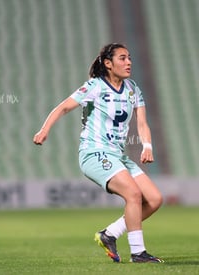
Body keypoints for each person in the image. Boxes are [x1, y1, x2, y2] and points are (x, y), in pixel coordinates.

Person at [33, 43, 164, 263]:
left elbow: (142, 123)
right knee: (133, 194)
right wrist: (44, 129)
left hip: (117, 155)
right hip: (94, 153)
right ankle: (138, 253)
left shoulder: (132, 88)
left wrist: (147, 146)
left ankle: (110, 234)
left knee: (154, 199)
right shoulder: (95, 86)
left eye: (129, 57)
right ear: (108, 63)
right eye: (122, 58)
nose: (128, 62)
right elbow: (64, 107)